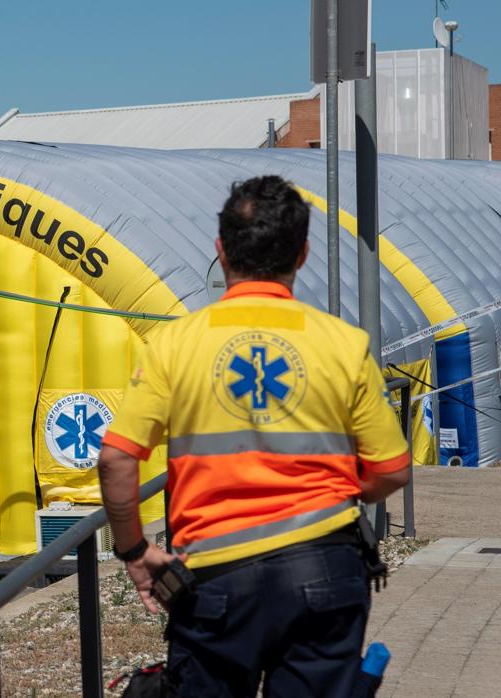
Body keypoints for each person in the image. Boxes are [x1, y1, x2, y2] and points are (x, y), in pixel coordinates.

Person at [98, 175, 411, 697]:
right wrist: (336, 490)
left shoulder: (173, 344)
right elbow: (392, 469)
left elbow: (116, 460)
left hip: (216, 583)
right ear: (304, 253)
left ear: (220, 250)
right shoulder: (343, 343)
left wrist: (134, 551)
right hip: (325, 571)